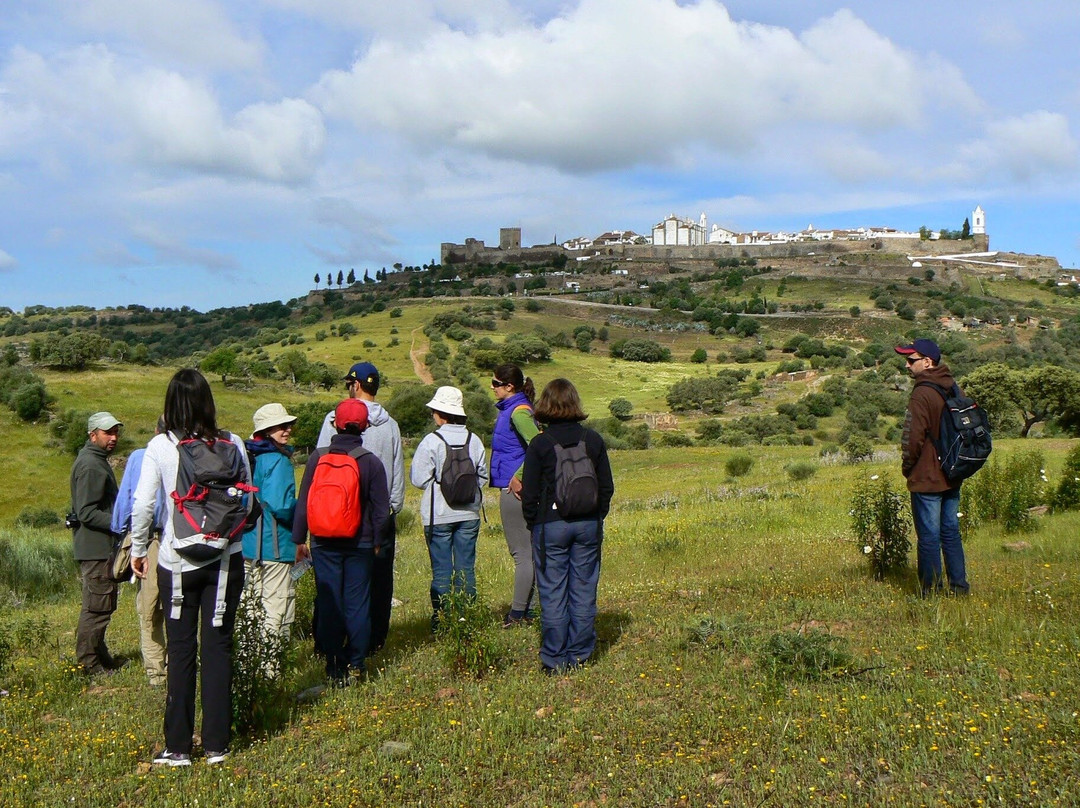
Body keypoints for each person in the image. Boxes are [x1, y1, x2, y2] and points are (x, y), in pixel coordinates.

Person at [130, 369, 251, 767]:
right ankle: (218, 744)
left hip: (177, 561)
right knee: (218, 648)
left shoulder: (160, 446)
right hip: (225, 560)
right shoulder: (232, 443)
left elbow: (145, 504)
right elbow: (247, 503)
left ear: (170, 404)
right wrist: (226, 538)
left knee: (181, 651)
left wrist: (137, 547)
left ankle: (178, 746)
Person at [294, 399, 390, 686]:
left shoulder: (317, 457)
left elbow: (304, 502)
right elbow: (381, 510)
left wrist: (299, 539)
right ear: (365, 426)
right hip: (360, 543)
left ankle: (333, 664)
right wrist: (377, 541)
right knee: (357, 602)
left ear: (335, 423)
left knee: (329, 601)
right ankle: (356, 664)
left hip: (323, 541)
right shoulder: (370, 462)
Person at [521, 379, 614, 673]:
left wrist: (533, 523)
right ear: (575, 402)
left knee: (552, 591)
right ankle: (580, 655)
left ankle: (554, 658)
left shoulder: (540, 443)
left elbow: (530, 492)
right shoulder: (594, 439)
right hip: (587, 524)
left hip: (551, 526)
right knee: (584, 590)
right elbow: (607, 487)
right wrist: (596, 516)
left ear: (545, 405)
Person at [317, 362, 404, 655]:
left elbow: (319, 468)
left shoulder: (333, 420)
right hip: (377, 514)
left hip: (337, 514)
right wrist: (391, 509)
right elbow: (397, 473)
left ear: (355, 385)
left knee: (338, 580)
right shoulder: (391, 425)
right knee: (379, 581)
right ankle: (374, 640)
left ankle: (333, 641)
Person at [895, 338, 970, 596]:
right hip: (953, 472)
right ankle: (959, 587)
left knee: (928, 537)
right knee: (950, 532)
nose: (906, 365)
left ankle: (931, 592)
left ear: (927, 362)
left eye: (911, 360)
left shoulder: (922, 393)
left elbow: (912, 438)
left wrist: (908, 467)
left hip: (927, 476)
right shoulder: (952, 387)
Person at [410, 386, 488, 628]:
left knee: (442, 571)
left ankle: (443, 622)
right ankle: (467, 619)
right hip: (469, 514)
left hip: (439, 514)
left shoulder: (432, 441)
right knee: (466, 569)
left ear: (440, 413)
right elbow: (482, 477)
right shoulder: (474, 440)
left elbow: (418, 479)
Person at [111, 416, 168, 686]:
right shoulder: (191, 454)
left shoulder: (140, 457)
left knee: (150, 608)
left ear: (155, 431)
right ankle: (175, 665)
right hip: (178, 538)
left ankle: (157, 672)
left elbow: (126, 503)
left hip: (151, 539)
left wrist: (123, 533)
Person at [242, 403, 301, 648]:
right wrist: (304, 512)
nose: (287, 430)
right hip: (275, 546)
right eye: (280, 426)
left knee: (249, 611)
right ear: (266, 431)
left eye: (288, 425)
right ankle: (271, 674)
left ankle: (247, 667)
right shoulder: (278, 460)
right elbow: (282, 505)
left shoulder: (247, 457)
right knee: (276, 609)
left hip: (248, 544)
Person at [70, 411, 123, 676]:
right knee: (97, 607)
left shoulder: (94, 460)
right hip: (96, 547)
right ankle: (89, 664)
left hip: (96, 546)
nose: (113, 437)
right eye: (108, 432)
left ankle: (100, 657)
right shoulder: (91, 465)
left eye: (116, 432)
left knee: (100, 604)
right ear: (93, 435)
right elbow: (86, 512)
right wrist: (119, 521)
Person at [489, 363, 540, 627]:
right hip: (515, 485)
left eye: (495, 383)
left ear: (510, 387)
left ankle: (517, 614)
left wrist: (518, 475)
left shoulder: (519, 413)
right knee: (528, 552)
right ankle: (528, 610)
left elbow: (538, 444)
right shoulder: (515, 409)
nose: (492, 388)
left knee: (521, 553)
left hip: (515, 489)